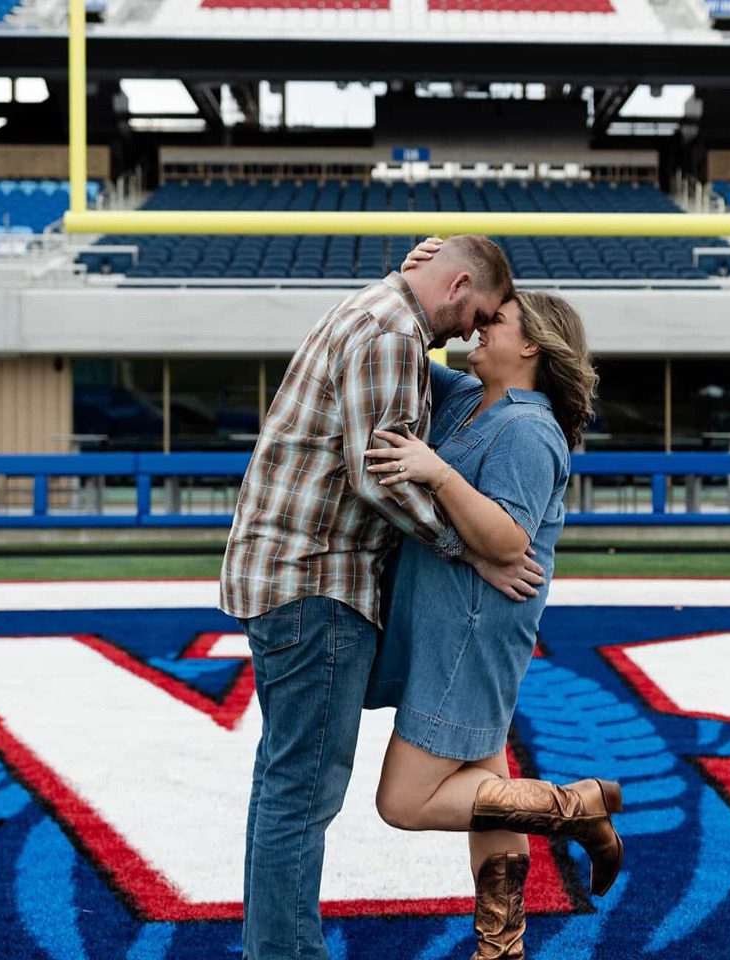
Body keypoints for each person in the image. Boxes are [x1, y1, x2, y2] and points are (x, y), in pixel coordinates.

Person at [220, 235, 529, 960]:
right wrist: (466, 549)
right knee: (302, 792)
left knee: (285, 783)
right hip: (319, 582)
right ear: (456, 285)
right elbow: (379, 479)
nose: (473, 331)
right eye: (477, 313)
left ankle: (271, 946)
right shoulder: (393, 333)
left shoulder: (378, 310)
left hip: (287, 577)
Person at [364, 242, 622, 960]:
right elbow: (411, 342)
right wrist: (408, 272)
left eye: (496, 319)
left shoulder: (528, 429)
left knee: (405, 801)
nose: (478, 324)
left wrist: (436, 472)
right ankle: (500, 945)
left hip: (471, 631)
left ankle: (574, 806)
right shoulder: (469, 402)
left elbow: (509, 542)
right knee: (484, 785)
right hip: (460, 622)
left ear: (532, 343)